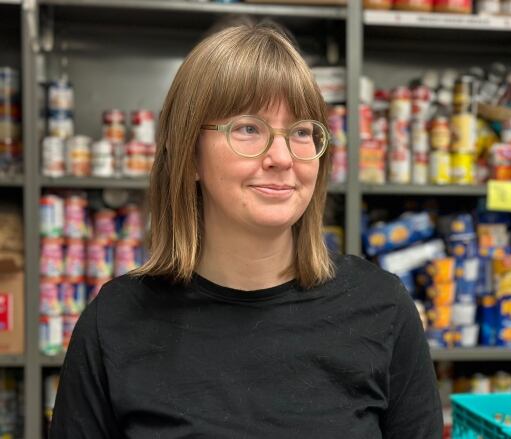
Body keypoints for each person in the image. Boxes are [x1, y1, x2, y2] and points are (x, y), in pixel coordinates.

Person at [50, 25, 442, 438]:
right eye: (248, 128)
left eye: (301, 132)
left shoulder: (383, 308)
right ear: (188, 157)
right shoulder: (114, 322)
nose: (282, 157)